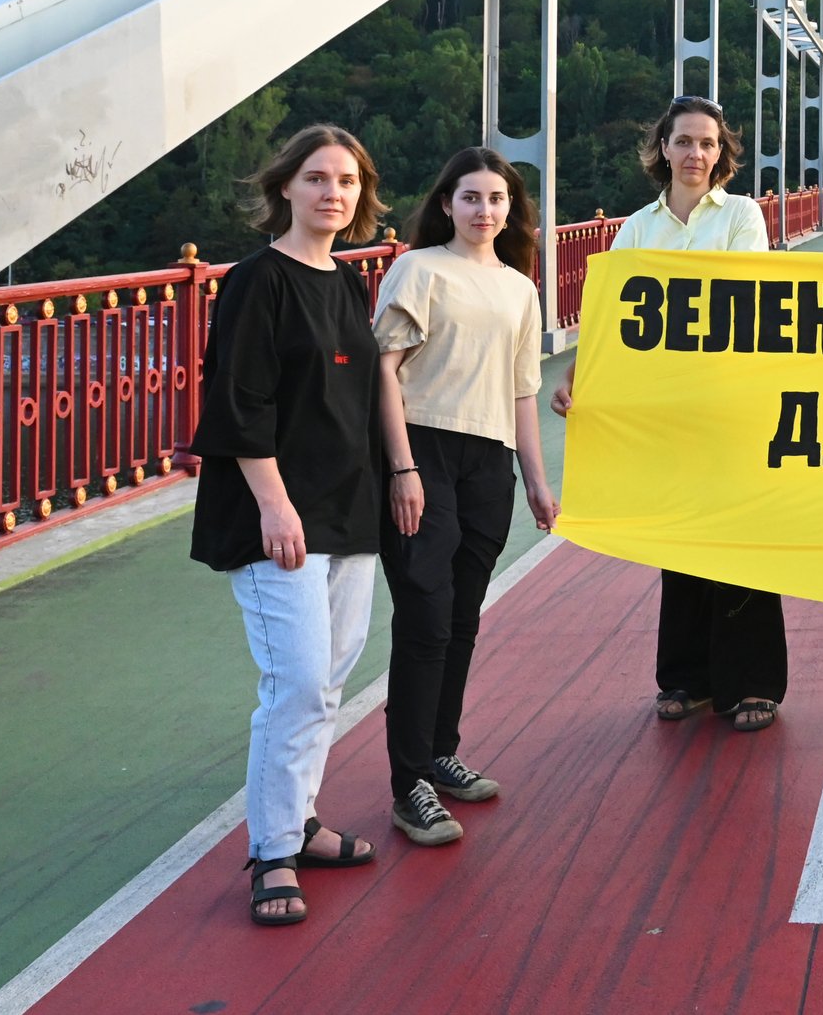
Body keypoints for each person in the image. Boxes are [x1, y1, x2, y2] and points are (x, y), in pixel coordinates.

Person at [187, 125, 388, 927]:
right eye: (315, 178)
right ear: (285, 189)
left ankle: (300, 821)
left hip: (348, 507)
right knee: (296, 680)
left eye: (345, 181)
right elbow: (238, 403)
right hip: (281, 516)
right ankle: (271, 851)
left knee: (330, 679)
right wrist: (274, 504)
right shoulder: (255, 282)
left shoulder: (346, 283)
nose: (331, 193)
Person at [549, 96, 786, 733]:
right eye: (683, 142)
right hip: (666, 411)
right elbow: (612, 316)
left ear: (722, 153)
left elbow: (740, 294)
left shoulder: (742, 216)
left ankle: (753, 680)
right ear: (663, 149)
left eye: (707, 143)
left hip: (731, 401)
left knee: (739, 537)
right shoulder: (637, 229)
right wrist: (576, 378)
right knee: (678, 535)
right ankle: (688, 677)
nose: (695, 154)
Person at [372, 147, 560, 849]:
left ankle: (439, 752)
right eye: (472, 197)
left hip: (489, 465)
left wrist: (536, 479)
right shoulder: (418, 270)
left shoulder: (519, 287)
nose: (485, 210)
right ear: (446, 203)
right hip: (423, 449)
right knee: (424, 613)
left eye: (497, 198)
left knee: (461, 617)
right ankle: (408, 782)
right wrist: (401, 468)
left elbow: (522, 390)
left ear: (512, 210)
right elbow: (384, 371)